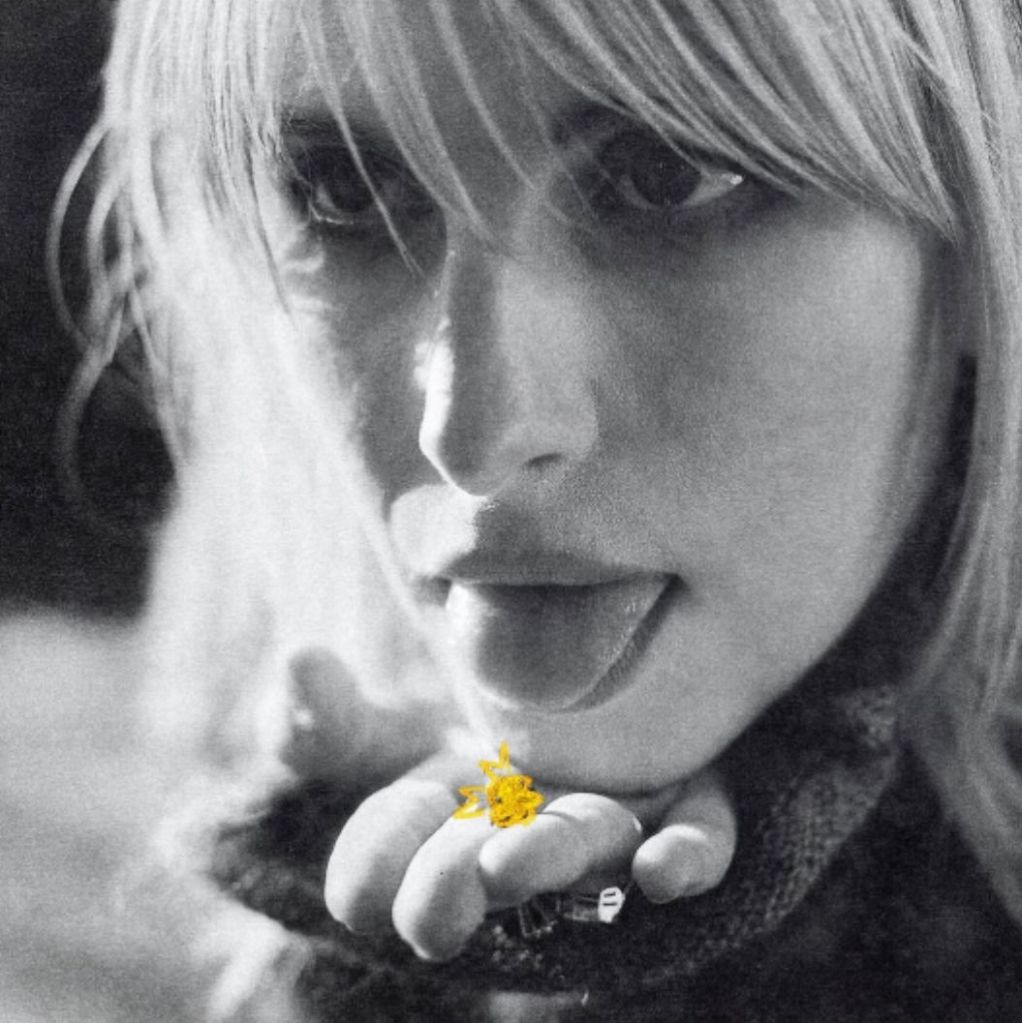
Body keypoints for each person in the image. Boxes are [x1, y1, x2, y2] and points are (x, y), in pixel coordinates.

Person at [77, 0, 1022, 1019]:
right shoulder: (264, 679)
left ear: (982, 230)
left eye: (662, 175)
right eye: (344, 191)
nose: (472, 433)